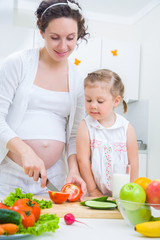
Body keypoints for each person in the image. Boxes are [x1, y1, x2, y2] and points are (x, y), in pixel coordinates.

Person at [0, 0, 89, 200]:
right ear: (41, 32)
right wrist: (25, 151)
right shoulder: (18, 63)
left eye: (71, 38)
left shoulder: (78, 81)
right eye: (55, 37)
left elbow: (74, 135)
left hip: (52, 179)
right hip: (10, 175)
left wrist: (73, 170)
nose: (63, 46)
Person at [76, 69, 139, 197]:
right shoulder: (85, 126)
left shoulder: (126, 128)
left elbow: (133, 163)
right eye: (88, 100)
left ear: (116, 101)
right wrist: (93, 190)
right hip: (94, 194)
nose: (93, 105)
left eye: (100, 101)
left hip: (123, 195)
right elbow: (83, 160)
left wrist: (130, 192)